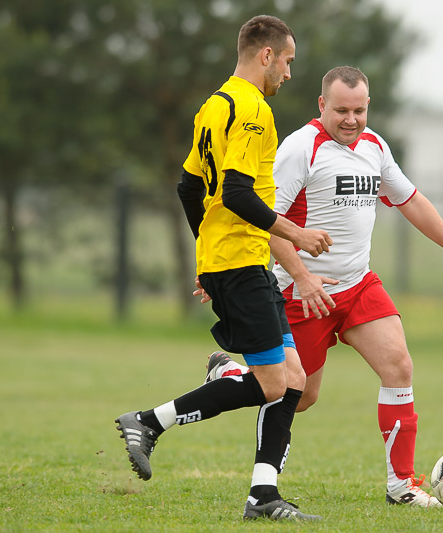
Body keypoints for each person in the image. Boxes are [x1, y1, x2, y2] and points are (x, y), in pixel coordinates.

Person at [199, 66, 443, 508]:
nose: (351, 120)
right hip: (302, 292)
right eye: (341, 110)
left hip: (358, 285)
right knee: (299, 395)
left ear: (368, 106)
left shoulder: (374, 146)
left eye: (359, 110)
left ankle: (402, 486)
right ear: (322, 105)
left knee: (398, 366)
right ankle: (231, 375)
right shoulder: (300, 148)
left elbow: (410, 200)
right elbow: (265, 222)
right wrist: (300, 277)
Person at [114, 15, 331, 522]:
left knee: (294, 379)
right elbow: (235, 193)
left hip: (237, 261)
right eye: (287, 61)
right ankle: (150, 420)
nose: (289, 73)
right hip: (240, 264)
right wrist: (295, 234)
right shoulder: (253, 110)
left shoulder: (213, 106)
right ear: (266, 55)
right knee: (274, 384)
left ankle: (263, 495)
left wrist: (205, 253)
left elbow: (189, 187)